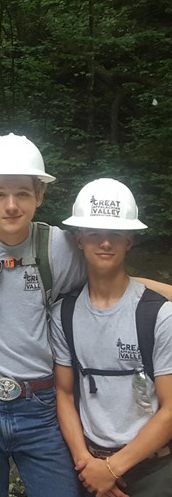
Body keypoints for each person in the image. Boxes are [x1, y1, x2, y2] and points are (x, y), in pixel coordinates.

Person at [51, 179, 172, 497]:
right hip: (89, 467)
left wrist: (112, 469)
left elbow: (170, 409)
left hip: (153, 470)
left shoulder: (157, 315)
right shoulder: (64, 315)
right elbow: (63, 393)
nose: (105, 243)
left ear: (129, 240)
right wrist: (87, 465)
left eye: (115, 234)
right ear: (79, 239)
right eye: (94, 233)